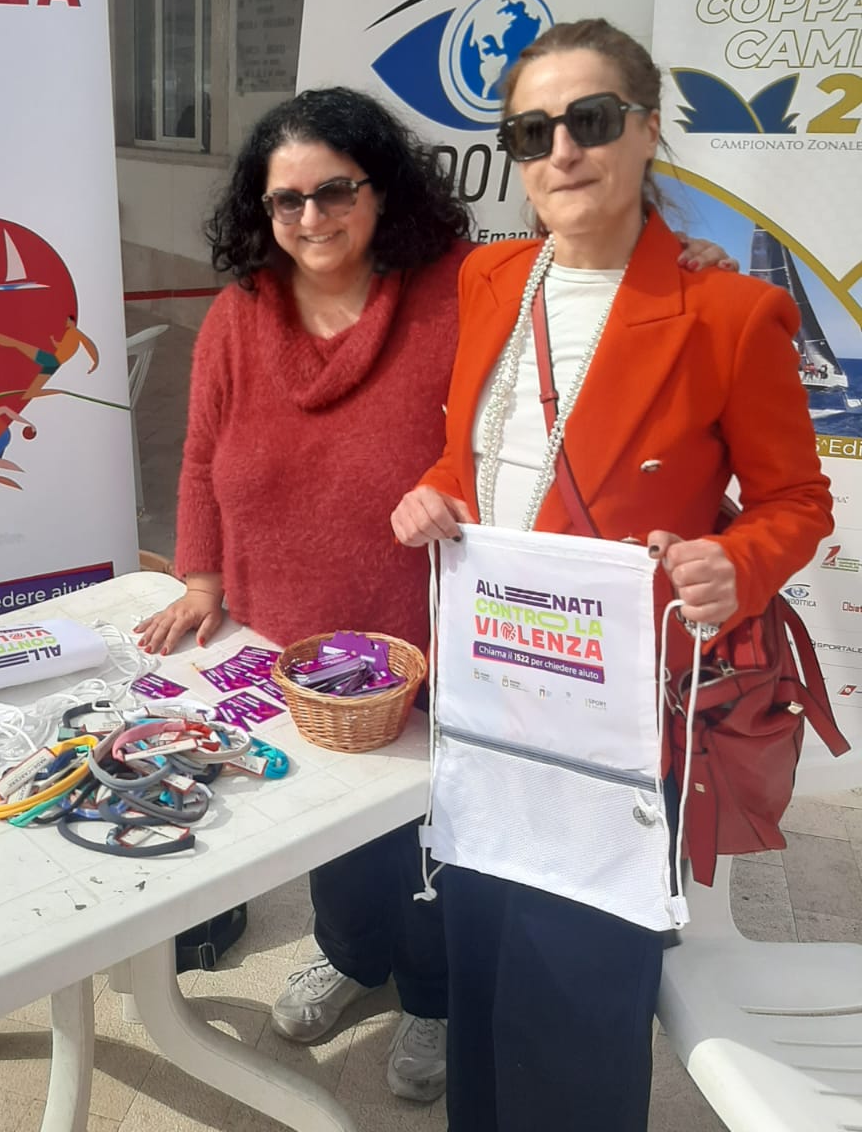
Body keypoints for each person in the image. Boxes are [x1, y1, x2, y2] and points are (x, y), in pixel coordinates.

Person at [134, 85, 732, 1104]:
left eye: (336, 191)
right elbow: (198, 456)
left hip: (432, 627)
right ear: (261, 210)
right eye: (288, 200)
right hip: (290, 632)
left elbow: (579, 276)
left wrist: (676, 261)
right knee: (327, 820)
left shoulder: (463, 288)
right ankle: (349, 951)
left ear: (383, 188)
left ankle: (432, 993)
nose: (312, 217)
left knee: (428, 826)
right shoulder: (239, 314)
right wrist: (200, 575)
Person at [391, 18, 833, 1132]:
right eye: (530, 132)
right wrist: (433, 493)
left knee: (574, 997)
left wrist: (733, 564)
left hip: (618, 716)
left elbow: (796, 501)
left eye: (589, 121)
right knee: (484, 965)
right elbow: (473, 453)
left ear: (645, 131)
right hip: (487, 695)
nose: (561, 151)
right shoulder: (490, 278)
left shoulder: (730, 311)